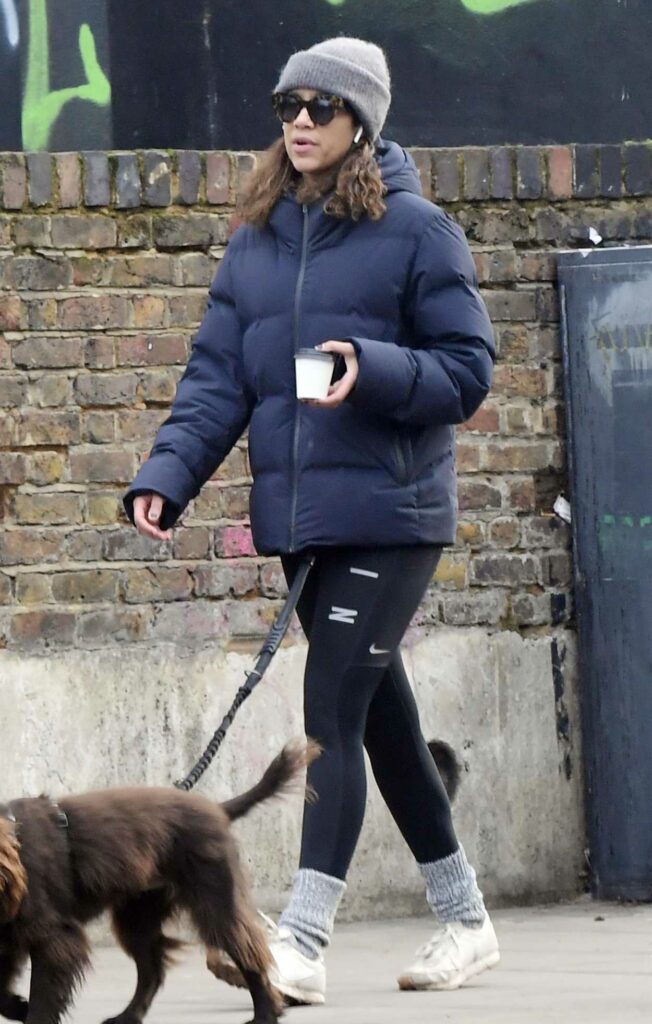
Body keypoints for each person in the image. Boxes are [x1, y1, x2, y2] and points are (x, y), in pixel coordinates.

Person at [124, 35, 498, 1007]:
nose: (298, 121)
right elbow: (216, 380)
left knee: (328, 709)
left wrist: (368, 369)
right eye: (287, 104)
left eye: (320, 108)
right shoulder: (257, 241)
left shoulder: (417, 233)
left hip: (391, 514)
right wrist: (167, 476)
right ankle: (466, 920)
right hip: (307, 519)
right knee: (383, 723)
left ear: (361, 125)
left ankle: (297, 938)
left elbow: (467, 372)